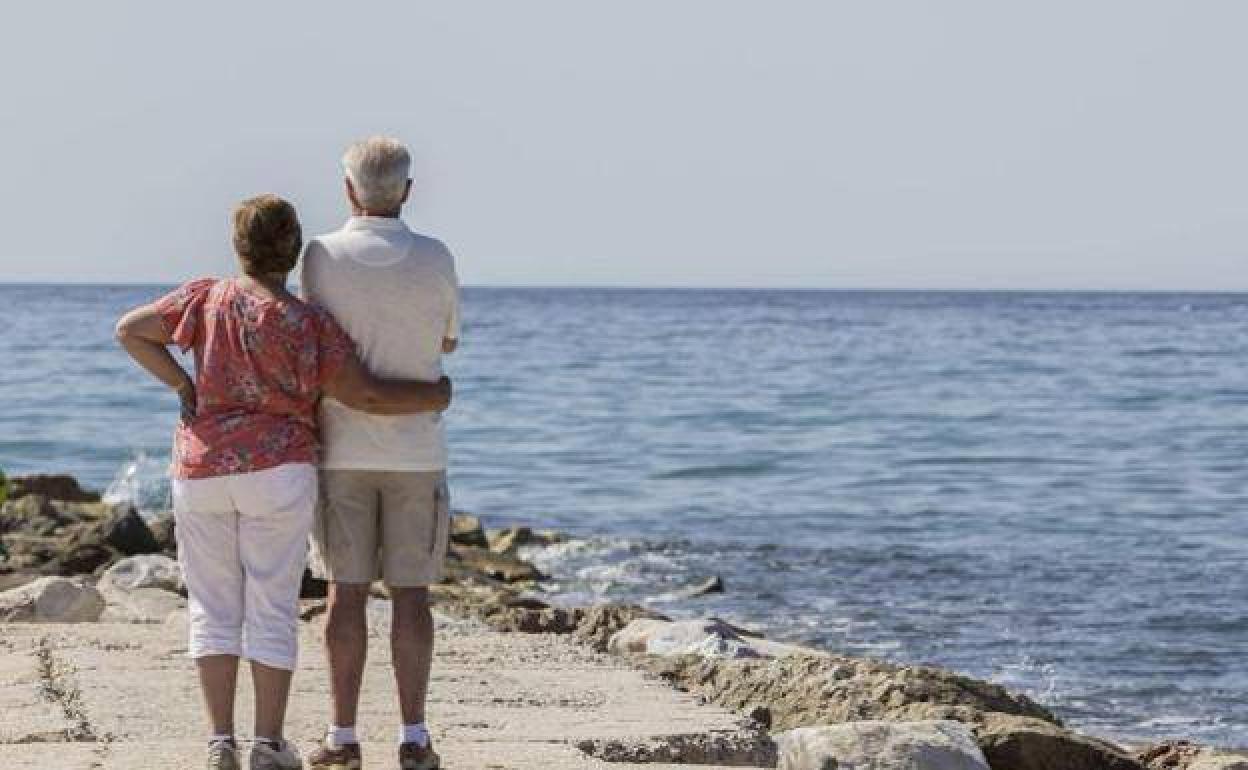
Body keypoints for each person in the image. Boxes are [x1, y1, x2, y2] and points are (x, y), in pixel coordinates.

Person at [115, 194, 452, 770]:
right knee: (271, 605)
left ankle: (220, 741)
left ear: (238, 247)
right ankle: (267, 745)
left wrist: (182, 386)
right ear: (294, 252)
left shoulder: (204, 298)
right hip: (278, 470)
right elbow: (364, 394)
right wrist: (435, 394)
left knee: (212, 608)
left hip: (201, 471)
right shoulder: (307, 324)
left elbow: (130, 331)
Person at [302, 137, 459, 770]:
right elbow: (447, 344)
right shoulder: (437, 255)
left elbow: (312, 340)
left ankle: (342, 737)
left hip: (340, 448)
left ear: (347, 190)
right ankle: (414, 736)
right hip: (417, 450)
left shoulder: (319, 255)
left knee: (344, 594)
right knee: (412, 596)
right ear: (408, 191)